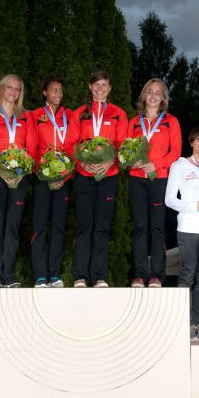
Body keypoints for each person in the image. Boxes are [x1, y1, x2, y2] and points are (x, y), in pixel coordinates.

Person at [64, 70, 127, 288]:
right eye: (96, 85)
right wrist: (81, 162)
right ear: (90, 87)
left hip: (109, 176)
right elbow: (70, 143)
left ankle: (99, 276)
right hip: (84, 175)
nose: (100, 89)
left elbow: (122, 144)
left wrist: (110, 162)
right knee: (84, 226)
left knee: (102, 227)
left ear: (110, 88)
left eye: (104, 85)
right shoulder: (79, 113)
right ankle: (80, 276)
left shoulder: (118, 113)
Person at [0, 74, 37, 288]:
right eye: (9, 87)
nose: (13, 92)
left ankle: (9, 275)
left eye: (17, 89)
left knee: (12, 226)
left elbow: (31, 146)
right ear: (1, 89)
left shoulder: (26, 116)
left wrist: (23, 169)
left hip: (20, 176)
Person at [165, 126, 199, 341]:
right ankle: (181, 325)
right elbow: (170, 199)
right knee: (188, 274)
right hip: (188, 227)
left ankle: (196, 325)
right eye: (198, 140)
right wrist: (192, 206)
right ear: (191, 142)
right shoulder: (179, 166)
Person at [128, 78, 181, 288]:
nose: (153, 95)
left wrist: (156, 164)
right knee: (140, 227)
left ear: (163, 97)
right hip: (136, 178)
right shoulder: (134, 122)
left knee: (157, 227)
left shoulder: (171, 121)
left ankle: (157, 275)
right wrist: (132, 161)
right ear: (144, 95)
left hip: (159, 178)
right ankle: (140, 274)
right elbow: (126, 150)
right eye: (149, 91)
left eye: (158, 93)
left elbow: (175, 152)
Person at [30, 77, 71, 288]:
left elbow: (73, 144)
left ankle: (54, 274)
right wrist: (41, 169)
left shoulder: (69, 115)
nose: (58, 94)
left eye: (61, 90)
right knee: (39, 225)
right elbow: (31, 144)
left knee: (58, 226)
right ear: (44, 92)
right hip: (41, 178)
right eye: (54, 90)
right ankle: (40, 275)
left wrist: (66, 173)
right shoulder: (35, 116)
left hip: (64, 178)